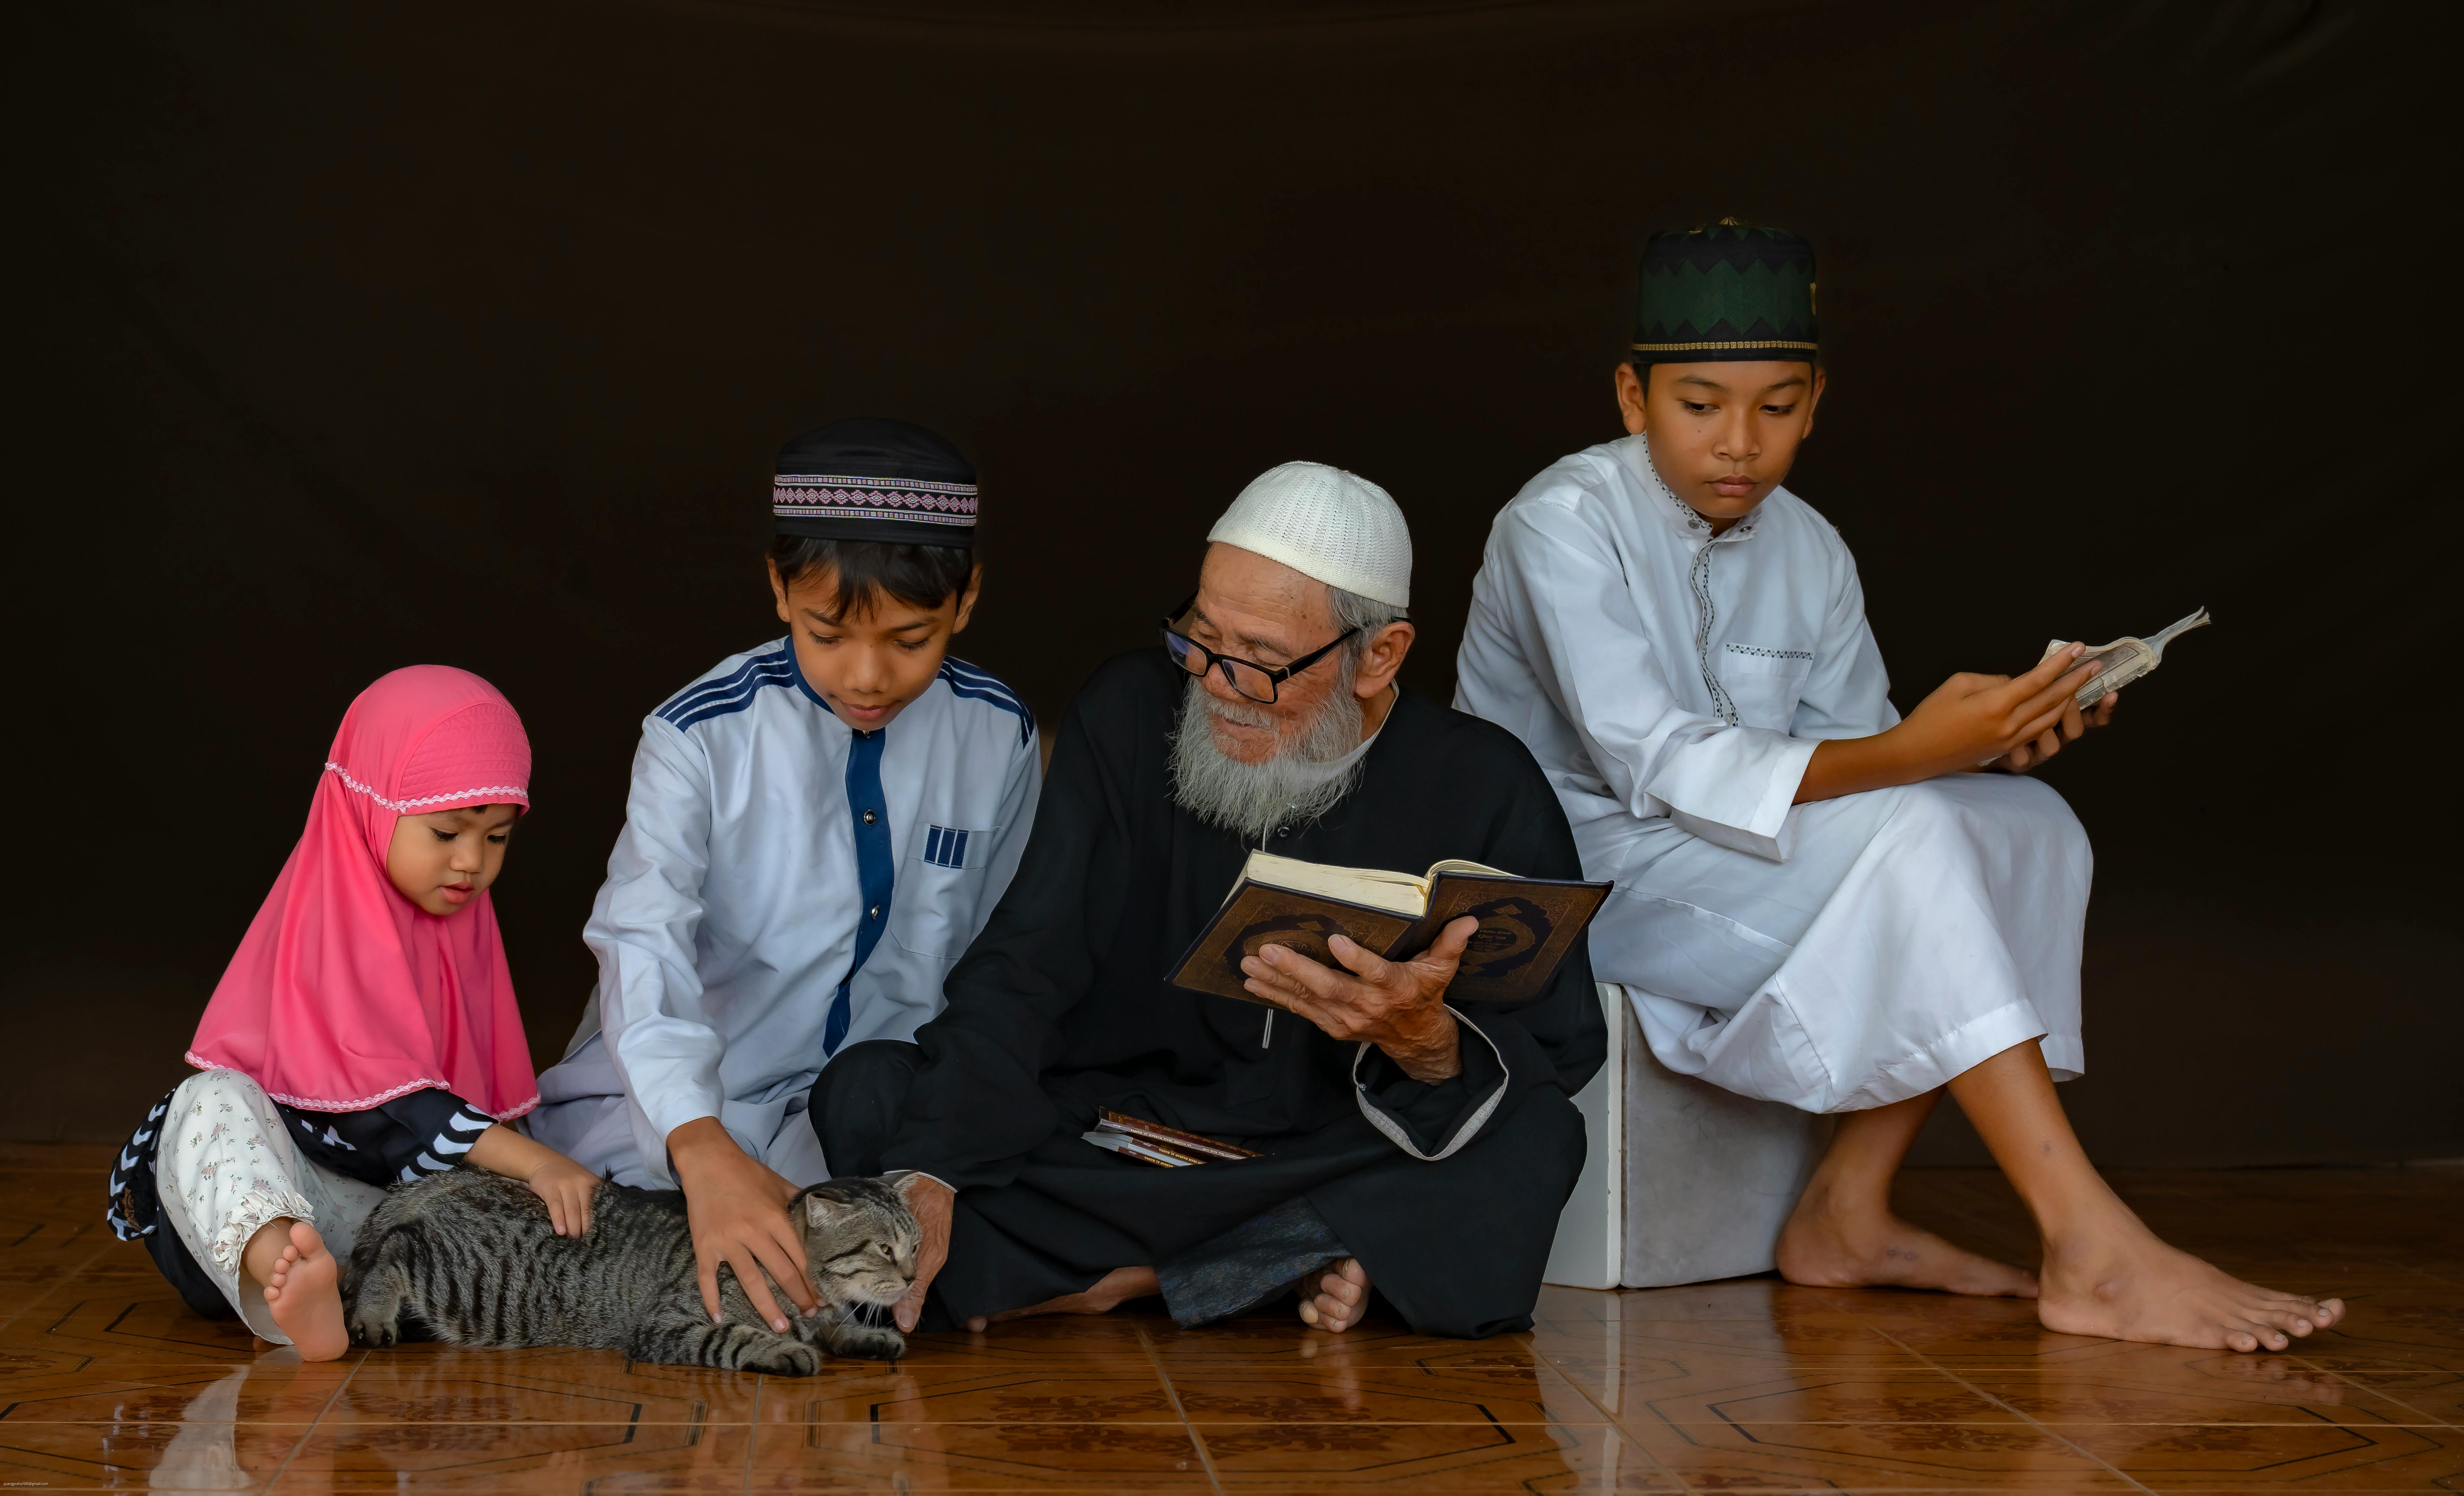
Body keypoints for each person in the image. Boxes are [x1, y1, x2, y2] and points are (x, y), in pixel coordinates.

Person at [1451, 220, 2345, 1354]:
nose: (1741, 443)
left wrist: (1987, 749)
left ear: (1815, 404)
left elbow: (1862, 760)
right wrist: (1921, 757)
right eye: (1700, 405)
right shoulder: (1559, 527)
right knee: (1924, 832)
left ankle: (1847, 1209)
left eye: (1778, 408)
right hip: (1580, 873)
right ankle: (2091, 1246)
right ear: (1632, 397)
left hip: (1728, 860)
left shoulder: (1811, 546)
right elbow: (1663, 765)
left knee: (2026, 825)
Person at [810, 461, 1606, 1342]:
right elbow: (1029, 956)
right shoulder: (1129, 711)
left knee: (1536, 1140)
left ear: (1379, 655)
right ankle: (1260, 1266)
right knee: (871, 1097)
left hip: (1327, 1150)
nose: (1216, 683)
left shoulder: (1483, 781)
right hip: (1114, 1132)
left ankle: (1133, 1279)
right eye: (1199, 638)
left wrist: (1422, 1041)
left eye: (1261, 662)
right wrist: (933, 1172)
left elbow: (1560, 1045)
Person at [526, 418, 1040, 1336]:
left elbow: (1002, 960)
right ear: (777, 589)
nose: (868, 675)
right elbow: (641, 943)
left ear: (967, 602)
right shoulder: (698, 738)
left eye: (912, 638)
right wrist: (700, 1143)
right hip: (696, 1111)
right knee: (611, 1226)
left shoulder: (998, 737)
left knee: (976, 1184)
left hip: (881, 1118)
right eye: (828, 634)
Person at [104, 666, 590, 1360]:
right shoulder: (329, 911)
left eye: (498, 838)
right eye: (448, 830)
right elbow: (386, 1110)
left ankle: (361, 1291)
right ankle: (286, 1267)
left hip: (375, 1222)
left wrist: (528, 1187)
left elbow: (467, 1120)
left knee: (527, 1226)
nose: (471, 863)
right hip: (246, 1210)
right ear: (372, 806)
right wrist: (538, 1165)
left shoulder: (463, 927)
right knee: (210, 1100)